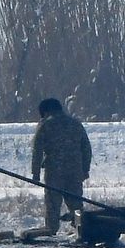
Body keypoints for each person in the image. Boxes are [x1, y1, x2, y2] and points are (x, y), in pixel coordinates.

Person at [28, 98, 91, 239]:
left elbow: (37, 151)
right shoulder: (75, 124)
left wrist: (36, 173)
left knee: (52, 203)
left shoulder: (45, 125)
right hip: (75, 171)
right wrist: (85, 169)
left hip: (54, 172)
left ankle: (51, 228)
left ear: (45, 111)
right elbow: (86, 148)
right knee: (76, 203)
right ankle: (81, 228)